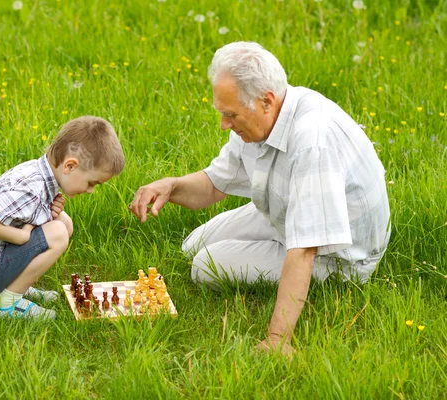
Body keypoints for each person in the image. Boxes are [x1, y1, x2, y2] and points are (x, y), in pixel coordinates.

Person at [130, 42, 390, 354]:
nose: (224, 124)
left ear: (266, 101)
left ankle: (312, 285)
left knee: (205, 267)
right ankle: (267, 248)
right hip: (287, 210)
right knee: (193, 245)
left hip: (339, 254)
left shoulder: (312, 142)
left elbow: (306, 248)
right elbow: (215, 185)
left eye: (230, 115)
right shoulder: (259, 118)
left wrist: (278, 340)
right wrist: (171, 186)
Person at [0, 116, 125, 319]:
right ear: (70, 166)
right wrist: (21, 237)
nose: (90, 191)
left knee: (64, 223)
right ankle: (4, 306)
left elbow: (24, 216)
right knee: (58, 233)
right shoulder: (31, 188)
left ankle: (16, 286)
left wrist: (48, 213)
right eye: (91, 183)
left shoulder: (42, 176)